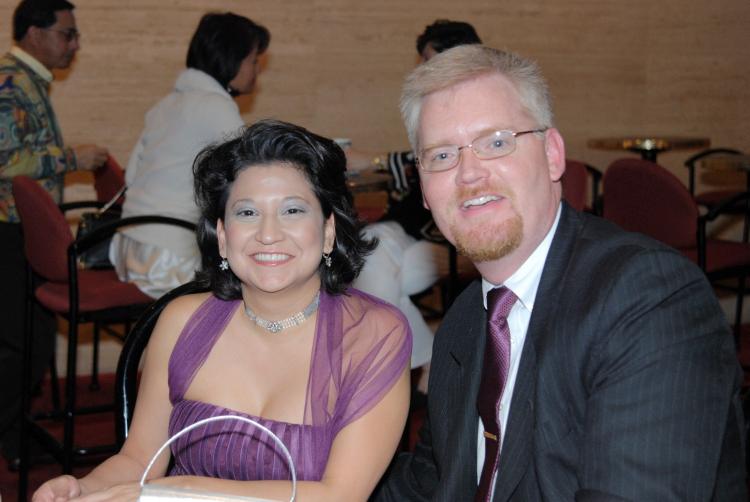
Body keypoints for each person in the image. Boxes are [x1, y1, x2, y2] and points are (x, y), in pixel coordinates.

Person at [375, 45, 746, 501]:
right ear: (425, 192)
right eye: (442, 155)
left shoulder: (647, 299)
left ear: (553, 154)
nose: (469, 174)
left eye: (496, 142)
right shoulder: (466, 319)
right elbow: (430, 485)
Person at [33, 119, 412, 502]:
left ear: (328, 231)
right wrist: (83, 488)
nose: (268, 233)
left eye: (293, 211)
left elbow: (341, 495)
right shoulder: (182, 320)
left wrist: (181, 488)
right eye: (246, 213)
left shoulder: (374, 334)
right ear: (224, 236)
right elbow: (137, 461)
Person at [0, 0, 108, 467]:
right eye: (67, 34)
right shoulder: (11, 84)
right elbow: (4, 162)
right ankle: (9, 438)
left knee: (30, 339)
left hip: (19, 230)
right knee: (22, 344)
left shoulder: (28, 81)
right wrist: (71, 158)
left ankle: (13, 436)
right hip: (7, 229)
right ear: (33, 34)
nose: (74, 44)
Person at [348, 19, 481, 372]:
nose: (421, 69)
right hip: (409, 231)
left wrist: (373, 159)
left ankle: (378, 374)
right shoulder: (434, 109)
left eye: (427, 59)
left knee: (380, 263)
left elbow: (434, 158)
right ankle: (419, 367)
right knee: (371, 247)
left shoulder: (479, 107)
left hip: (455, 239)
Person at [109, 12, 269, 299]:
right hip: (168, 254)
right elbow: (249, 179)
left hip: (129, 245)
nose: (256, 70)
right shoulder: (215, 106)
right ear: (232, 59)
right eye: (253, 60)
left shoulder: (166, 104)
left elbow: (132, 175)